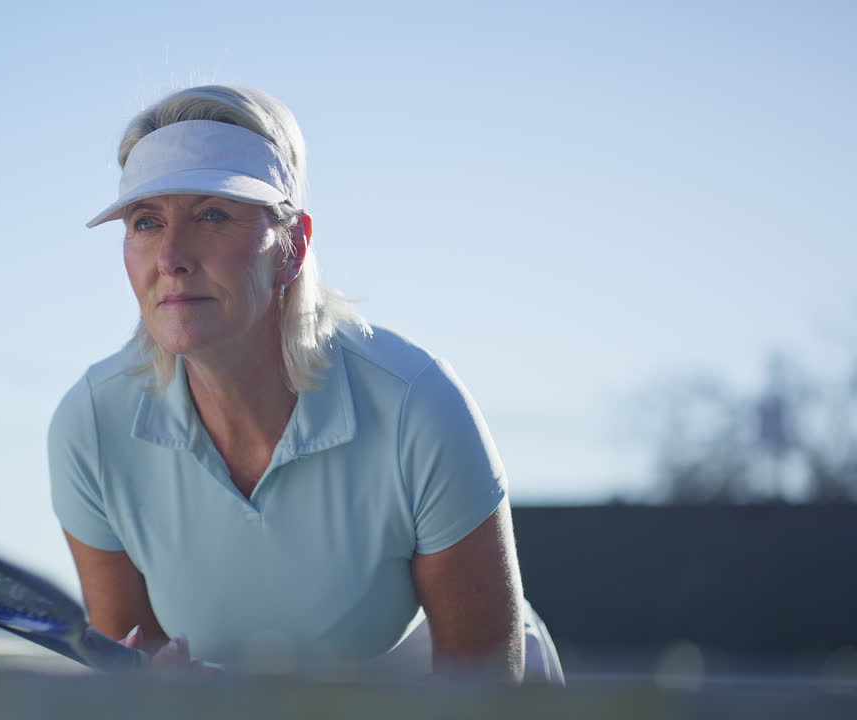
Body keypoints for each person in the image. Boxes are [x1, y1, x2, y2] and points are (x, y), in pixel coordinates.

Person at [49, 85, 563, 683]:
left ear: (292, 246)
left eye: (212, 214)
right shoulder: (90, 423)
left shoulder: (417, 404)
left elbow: (485, 691)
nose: (171, 257)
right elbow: (133, 670)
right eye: (146, 222)